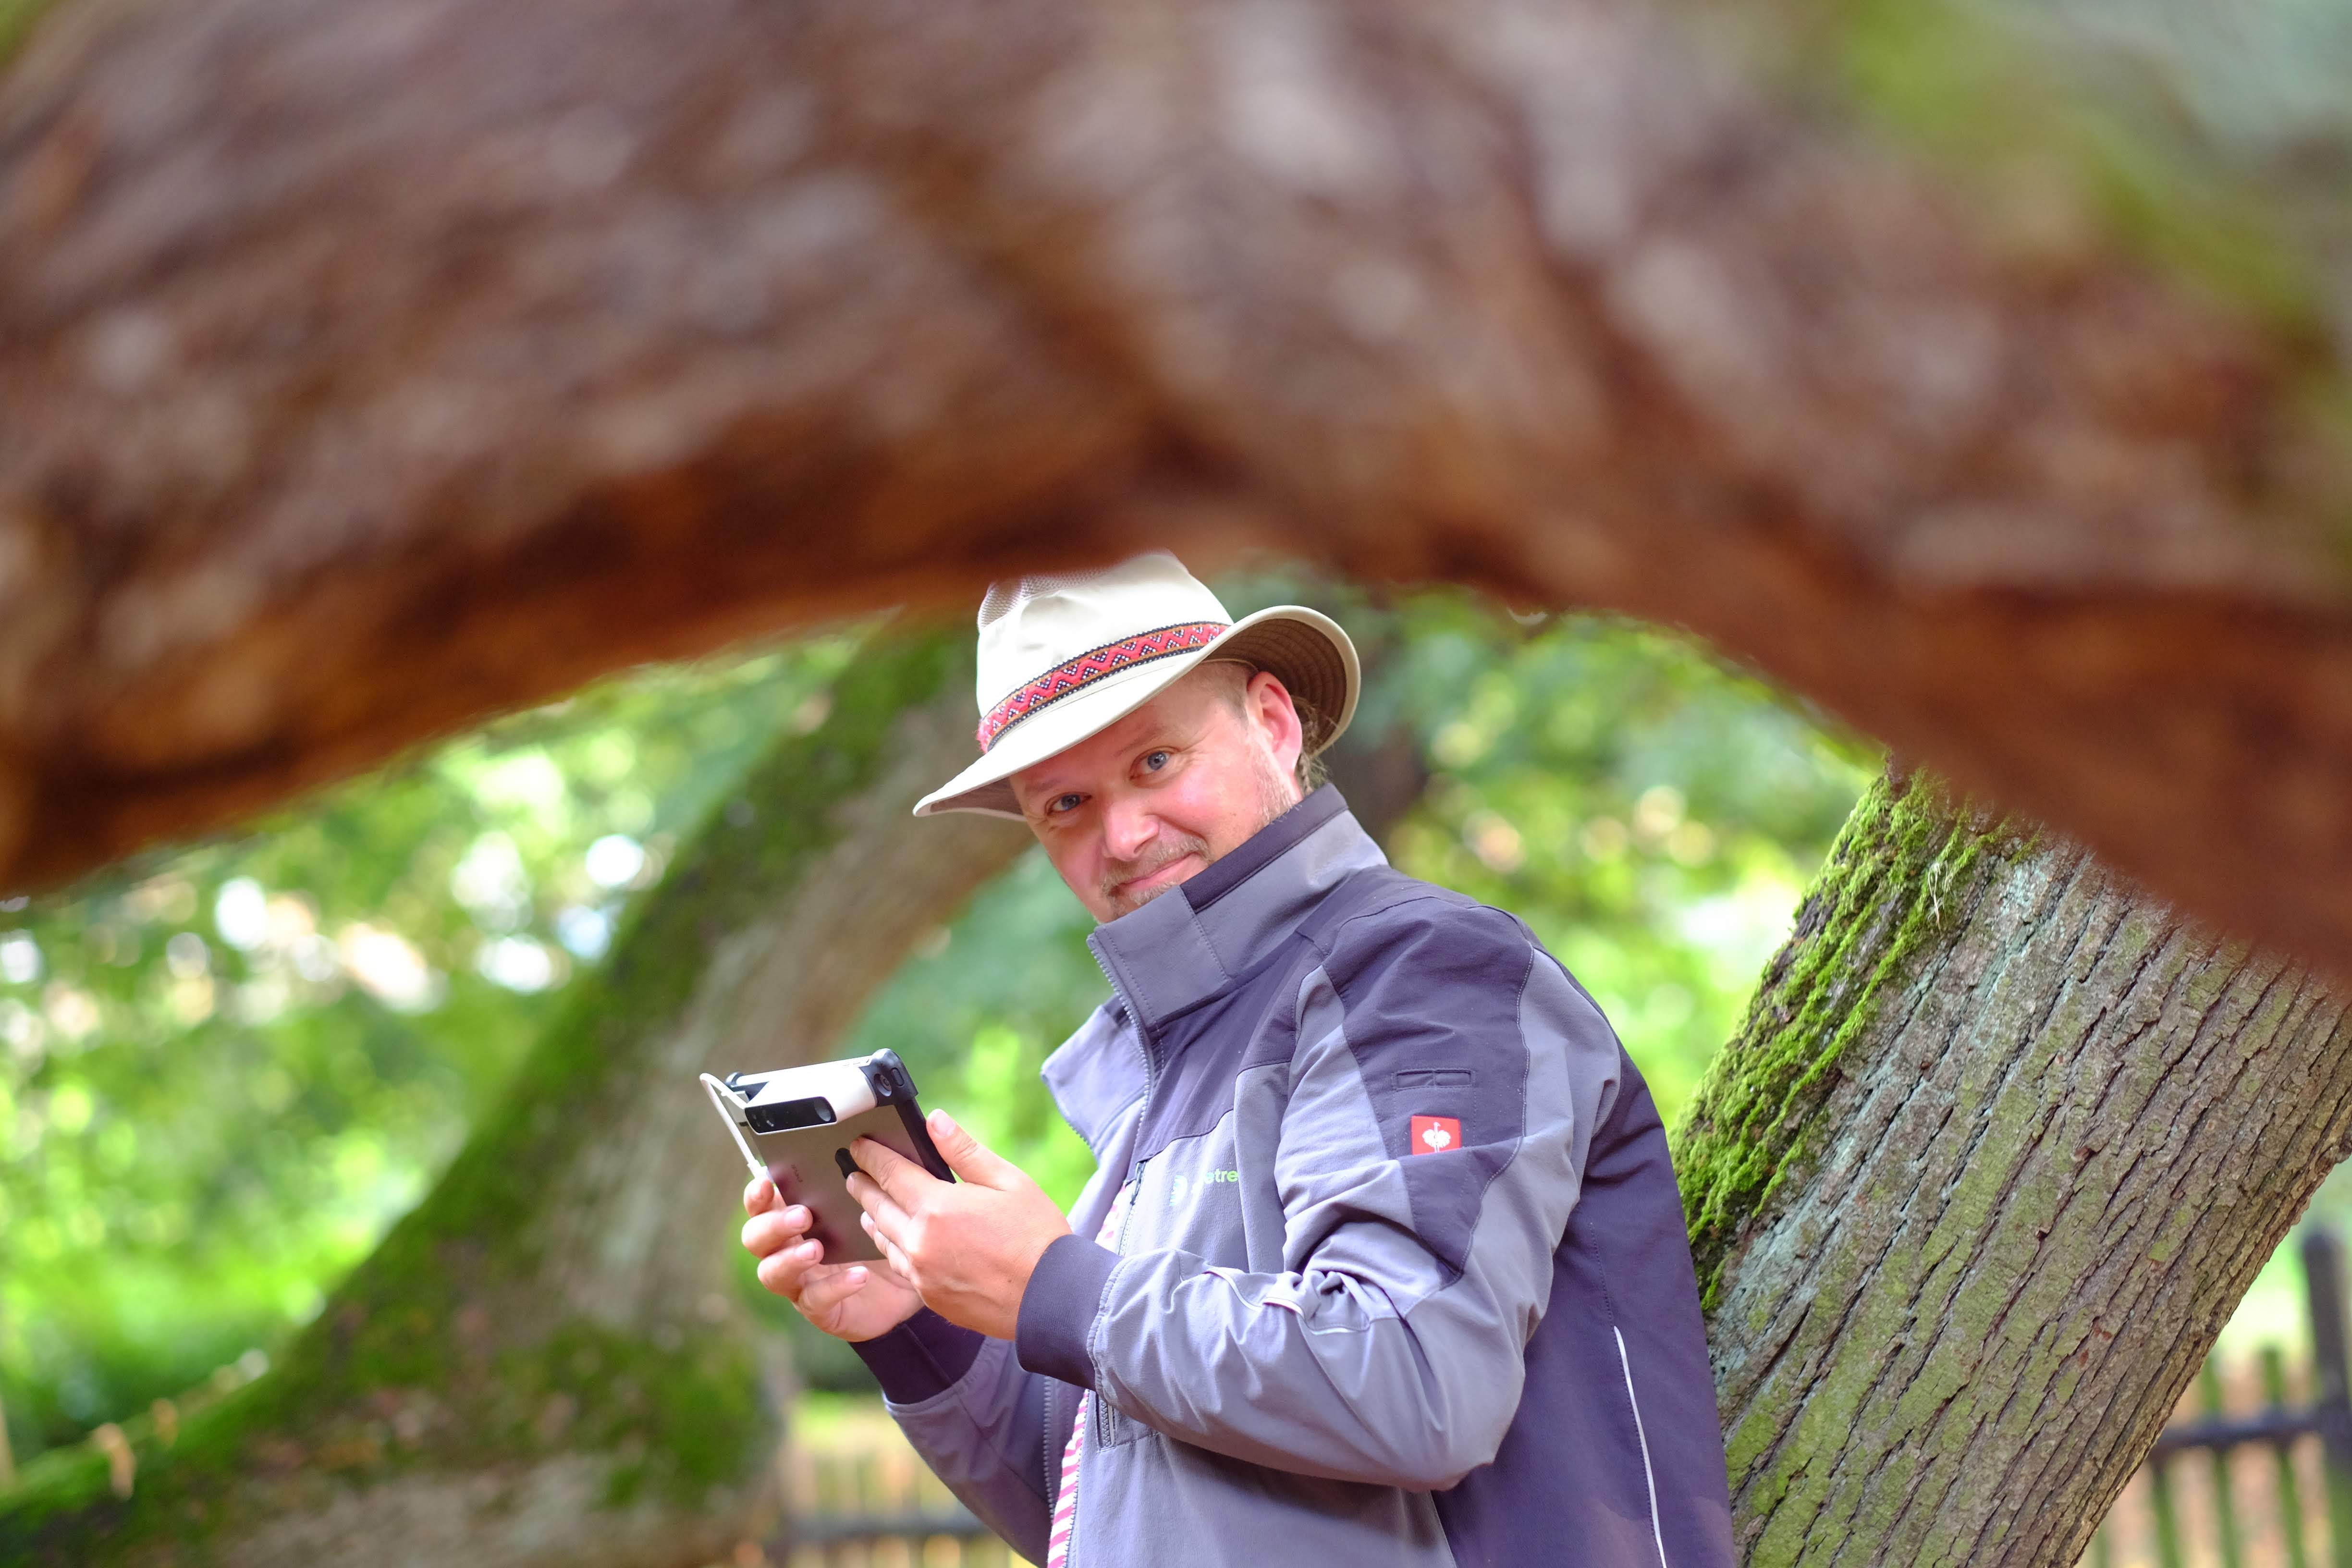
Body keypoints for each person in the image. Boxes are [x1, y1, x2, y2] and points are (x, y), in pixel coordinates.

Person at [741, 551, 1736, 1567]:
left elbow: (1413, 1378)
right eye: (1066, 807)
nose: (1124, 834)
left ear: (1272, 720)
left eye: (1155, 762)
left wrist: (1055, 1286)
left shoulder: (1424, 971)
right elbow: (1107, 1516)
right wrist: (915, 1327)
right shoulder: (1164, 1070)